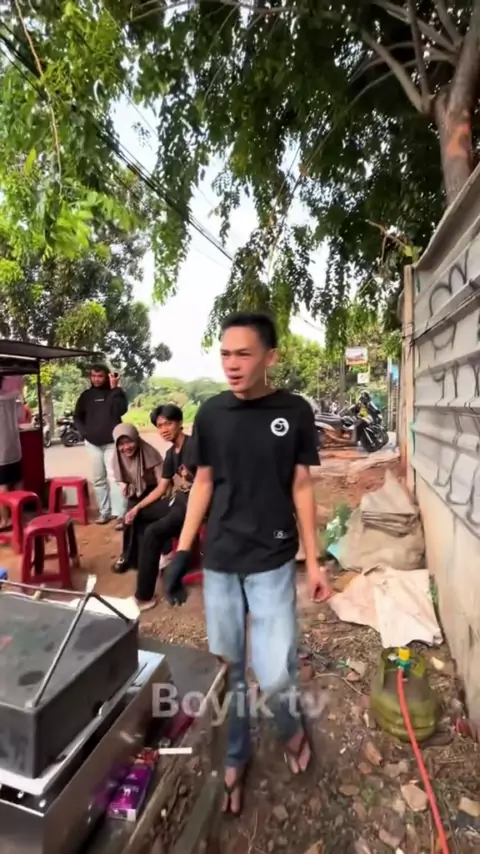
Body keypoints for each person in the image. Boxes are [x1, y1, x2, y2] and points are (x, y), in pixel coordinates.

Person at [163, 311, 331, 815]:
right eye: (225, 354)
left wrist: (314, 562)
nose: (232, 365)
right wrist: (181, 553)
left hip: (272, 559)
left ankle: (291, 727)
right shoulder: (212, 413)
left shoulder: (294, 411)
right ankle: (236, 754)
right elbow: (203, 484)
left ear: (270, 357)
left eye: (243, 354)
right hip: (221, 561)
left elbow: (301, 486)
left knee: (274, 672)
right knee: (231, 667)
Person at [128, 404, 196, 611]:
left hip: (194, 507)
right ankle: (163, 555)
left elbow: (208, 481)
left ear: (179, 423)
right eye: (159, 426)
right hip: (179, 501)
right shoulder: (170, 454)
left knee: (152, 532)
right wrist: (137, 507)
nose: (164, 429)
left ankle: (144, 597)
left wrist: (191, 481)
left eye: (168, 424)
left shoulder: (195, 446)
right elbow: (162, 487)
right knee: (139, 514)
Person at [74, 364, 128, 527]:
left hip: (111, 442)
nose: (96, 379)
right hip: (93, 444)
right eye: (93, 376)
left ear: (107, 377)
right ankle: (104, 512)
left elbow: (120, 410)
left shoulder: (116, 393)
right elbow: (78, 417)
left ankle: (120, 514)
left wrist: (115, 389)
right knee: (98, 479)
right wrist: (85, 433)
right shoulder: (86, 396)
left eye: (100, 376)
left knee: (114, 477)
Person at [111, 424, 164, 570]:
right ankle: (127, 556)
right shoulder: (117, 456)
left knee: (141, 517)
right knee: (128, 520)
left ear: (136, 439)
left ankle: (148, 558)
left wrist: (140, 507)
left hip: (154, 492)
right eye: (121, 444)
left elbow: (163, 484)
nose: (126, 447)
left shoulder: (151, 453)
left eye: (129, 441)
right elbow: (119, 476)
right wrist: (122, 484)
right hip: (134, 492)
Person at [0, 375, 23, 529]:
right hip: (15, 449)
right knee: (18, 482)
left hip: (1, 452)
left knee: (2, 487)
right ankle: (19, 517)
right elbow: (21, 417)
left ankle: (4, 521)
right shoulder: (13, 398)